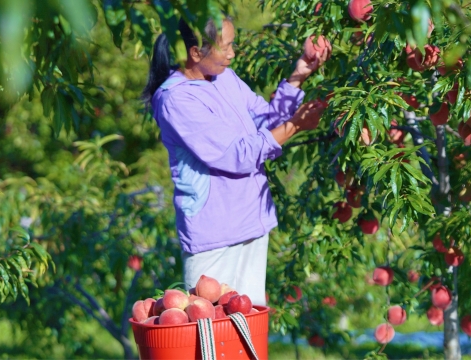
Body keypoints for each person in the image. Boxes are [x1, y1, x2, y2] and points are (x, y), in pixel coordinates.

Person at [141, 16, 330, 305]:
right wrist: (295, 125)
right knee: (211, 335)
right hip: (215, 237)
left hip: (250, 224)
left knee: (246, 332)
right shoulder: (176, 99)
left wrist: (298, 76)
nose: (232, 53)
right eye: (226, 46)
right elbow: (235, 155)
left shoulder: (222, 77)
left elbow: (266, 121)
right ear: (195, 53)